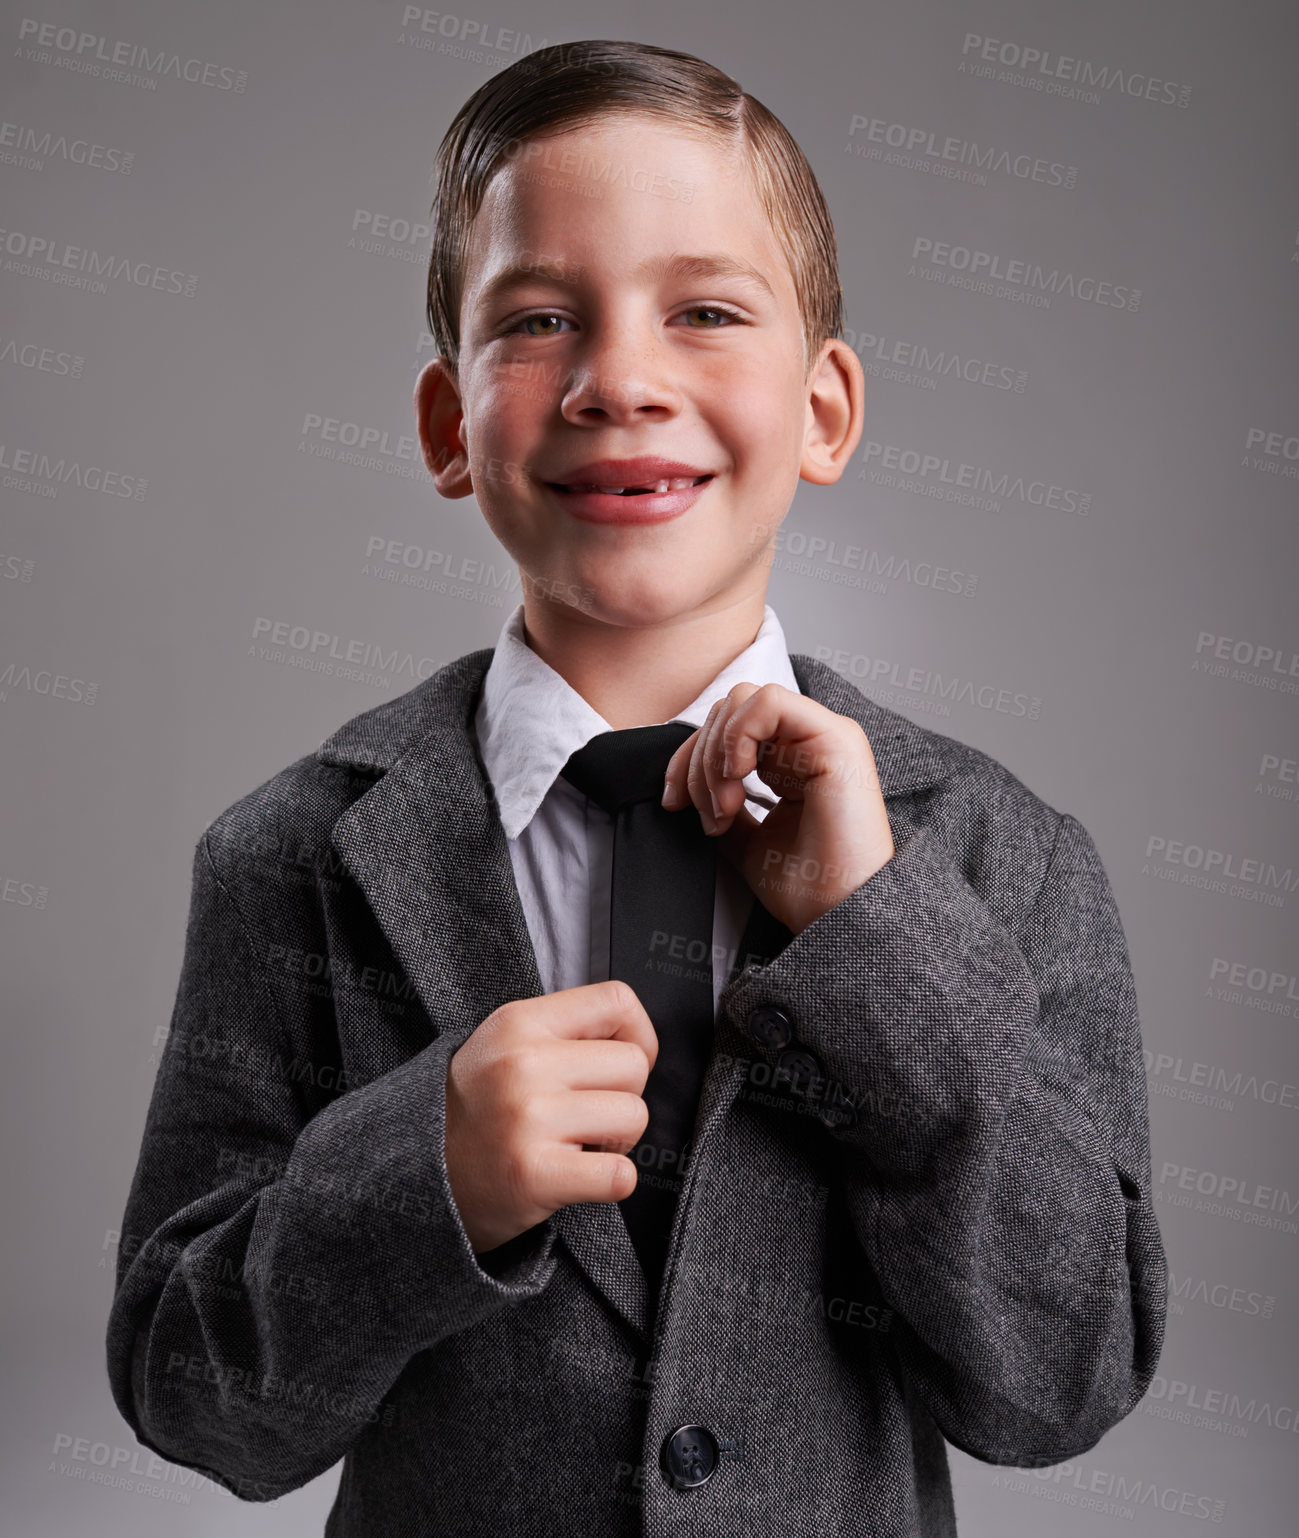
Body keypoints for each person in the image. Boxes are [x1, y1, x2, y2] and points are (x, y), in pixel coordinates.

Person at [105, 38, 1167, 1536]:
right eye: (540, 319)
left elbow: (1066, 1377)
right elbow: (188, 1389)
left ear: (824, 410)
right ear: (446, 427)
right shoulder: (291, 855)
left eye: (707, 312)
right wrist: (428, 1180)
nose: (620, 380)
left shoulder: (998, 852)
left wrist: (879, 943)